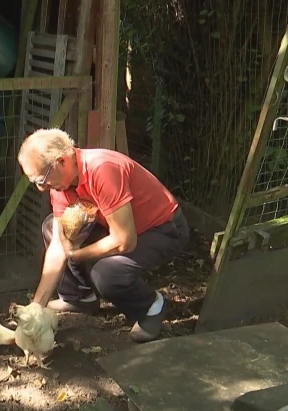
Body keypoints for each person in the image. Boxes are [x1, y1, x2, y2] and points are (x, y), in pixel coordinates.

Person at [17, 128, 190, 343]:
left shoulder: (102, 170)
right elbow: (58, 245)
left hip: (163, 229)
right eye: (34, 182)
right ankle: (80, 297)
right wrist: (36, 306)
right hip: (119, 226)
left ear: (61, 161)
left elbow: (124, 241)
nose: (41, 189)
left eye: (42, 180)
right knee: (53, 228)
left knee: (107, 274)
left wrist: (76, 255)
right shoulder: (60, 185)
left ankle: (151, 307)